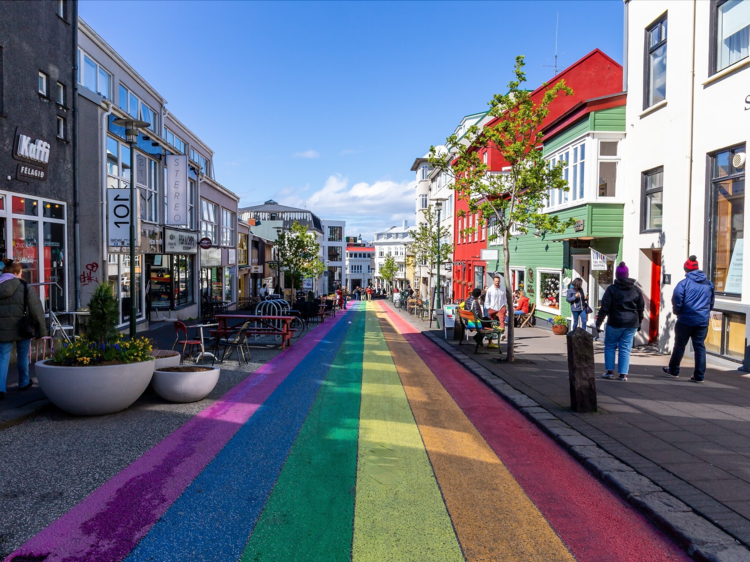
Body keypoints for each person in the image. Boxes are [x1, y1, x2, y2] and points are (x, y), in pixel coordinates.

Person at [0, 259, 47, 400]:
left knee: (2, 357)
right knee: (23, 355)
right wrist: (42, 330)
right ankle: (24, 382)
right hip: (23, 328)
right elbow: (36, 310)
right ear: (16, 272)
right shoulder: (25, 287)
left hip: (2, 329)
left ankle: (0, 388)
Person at [663, 256, 715, 383]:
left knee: (680, 345)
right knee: (699, 347)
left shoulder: (683, 284)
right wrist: (704, 313)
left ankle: (674, 369)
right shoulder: (708, 284)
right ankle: (699, 375)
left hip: (685, 320)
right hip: (702, 321)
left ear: (686, 270)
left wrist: (677, 312)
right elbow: (711, 302)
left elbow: (676, 300)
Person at [595, 262, 644, 382]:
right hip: (631, 323)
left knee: (610, 346)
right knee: (625, 348)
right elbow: (641, 308)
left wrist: (598, 323)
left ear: (616, 275)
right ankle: (623, 374)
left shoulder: (611, 289)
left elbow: (605, 308)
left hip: (615, 322)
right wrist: (639, 323)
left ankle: (610, 371)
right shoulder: (636, 290)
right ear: (627, 275)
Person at [484, 275, 507, 348]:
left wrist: (504, 305)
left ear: (500, 281)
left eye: (498, 281)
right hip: (492, 307)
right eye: (496, 281)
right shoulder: (490, 289)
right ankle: (490, 340)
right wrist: (488, 307)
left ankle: (502, 334)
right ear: (493, 281)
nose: (497, 282)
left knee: (502, 319)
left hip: (500, 306)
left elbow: (504, 298)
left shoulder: (502, 288)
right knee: (491, 322)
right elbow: (487, 299)